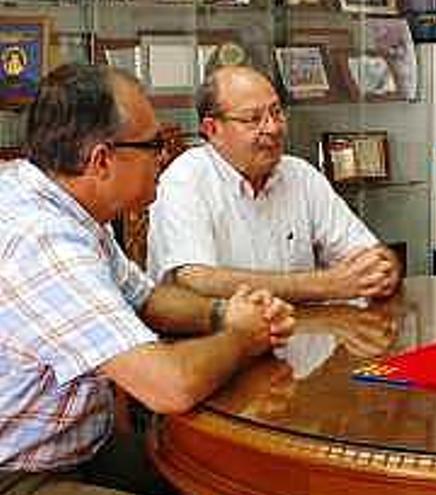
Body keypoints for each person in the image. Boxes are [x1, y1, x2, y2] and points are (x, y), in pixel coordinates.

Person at [0, 64, 295, 494]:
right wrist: (241, 337)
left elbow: (147, 300)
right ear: (101, 160)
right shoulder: (41, 239)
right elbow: (168, 386)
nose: (165, 156)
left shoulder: (71, 208)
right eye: (154, 144)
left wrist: (225, 312)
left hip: (80, 448)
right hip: (19, 473)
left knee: (231, 478)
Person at [147, 65, 400, 303]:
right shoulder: (185, 179)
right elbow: (196, 281)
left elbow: (372, 254)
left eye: (276, 112)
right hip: (215, 342)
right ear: (212, 129)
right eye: (253, 119)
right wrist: (326, 284)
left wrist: (383, 268)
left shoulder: (300, 174)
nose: (273, 128)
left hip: (303, 335)